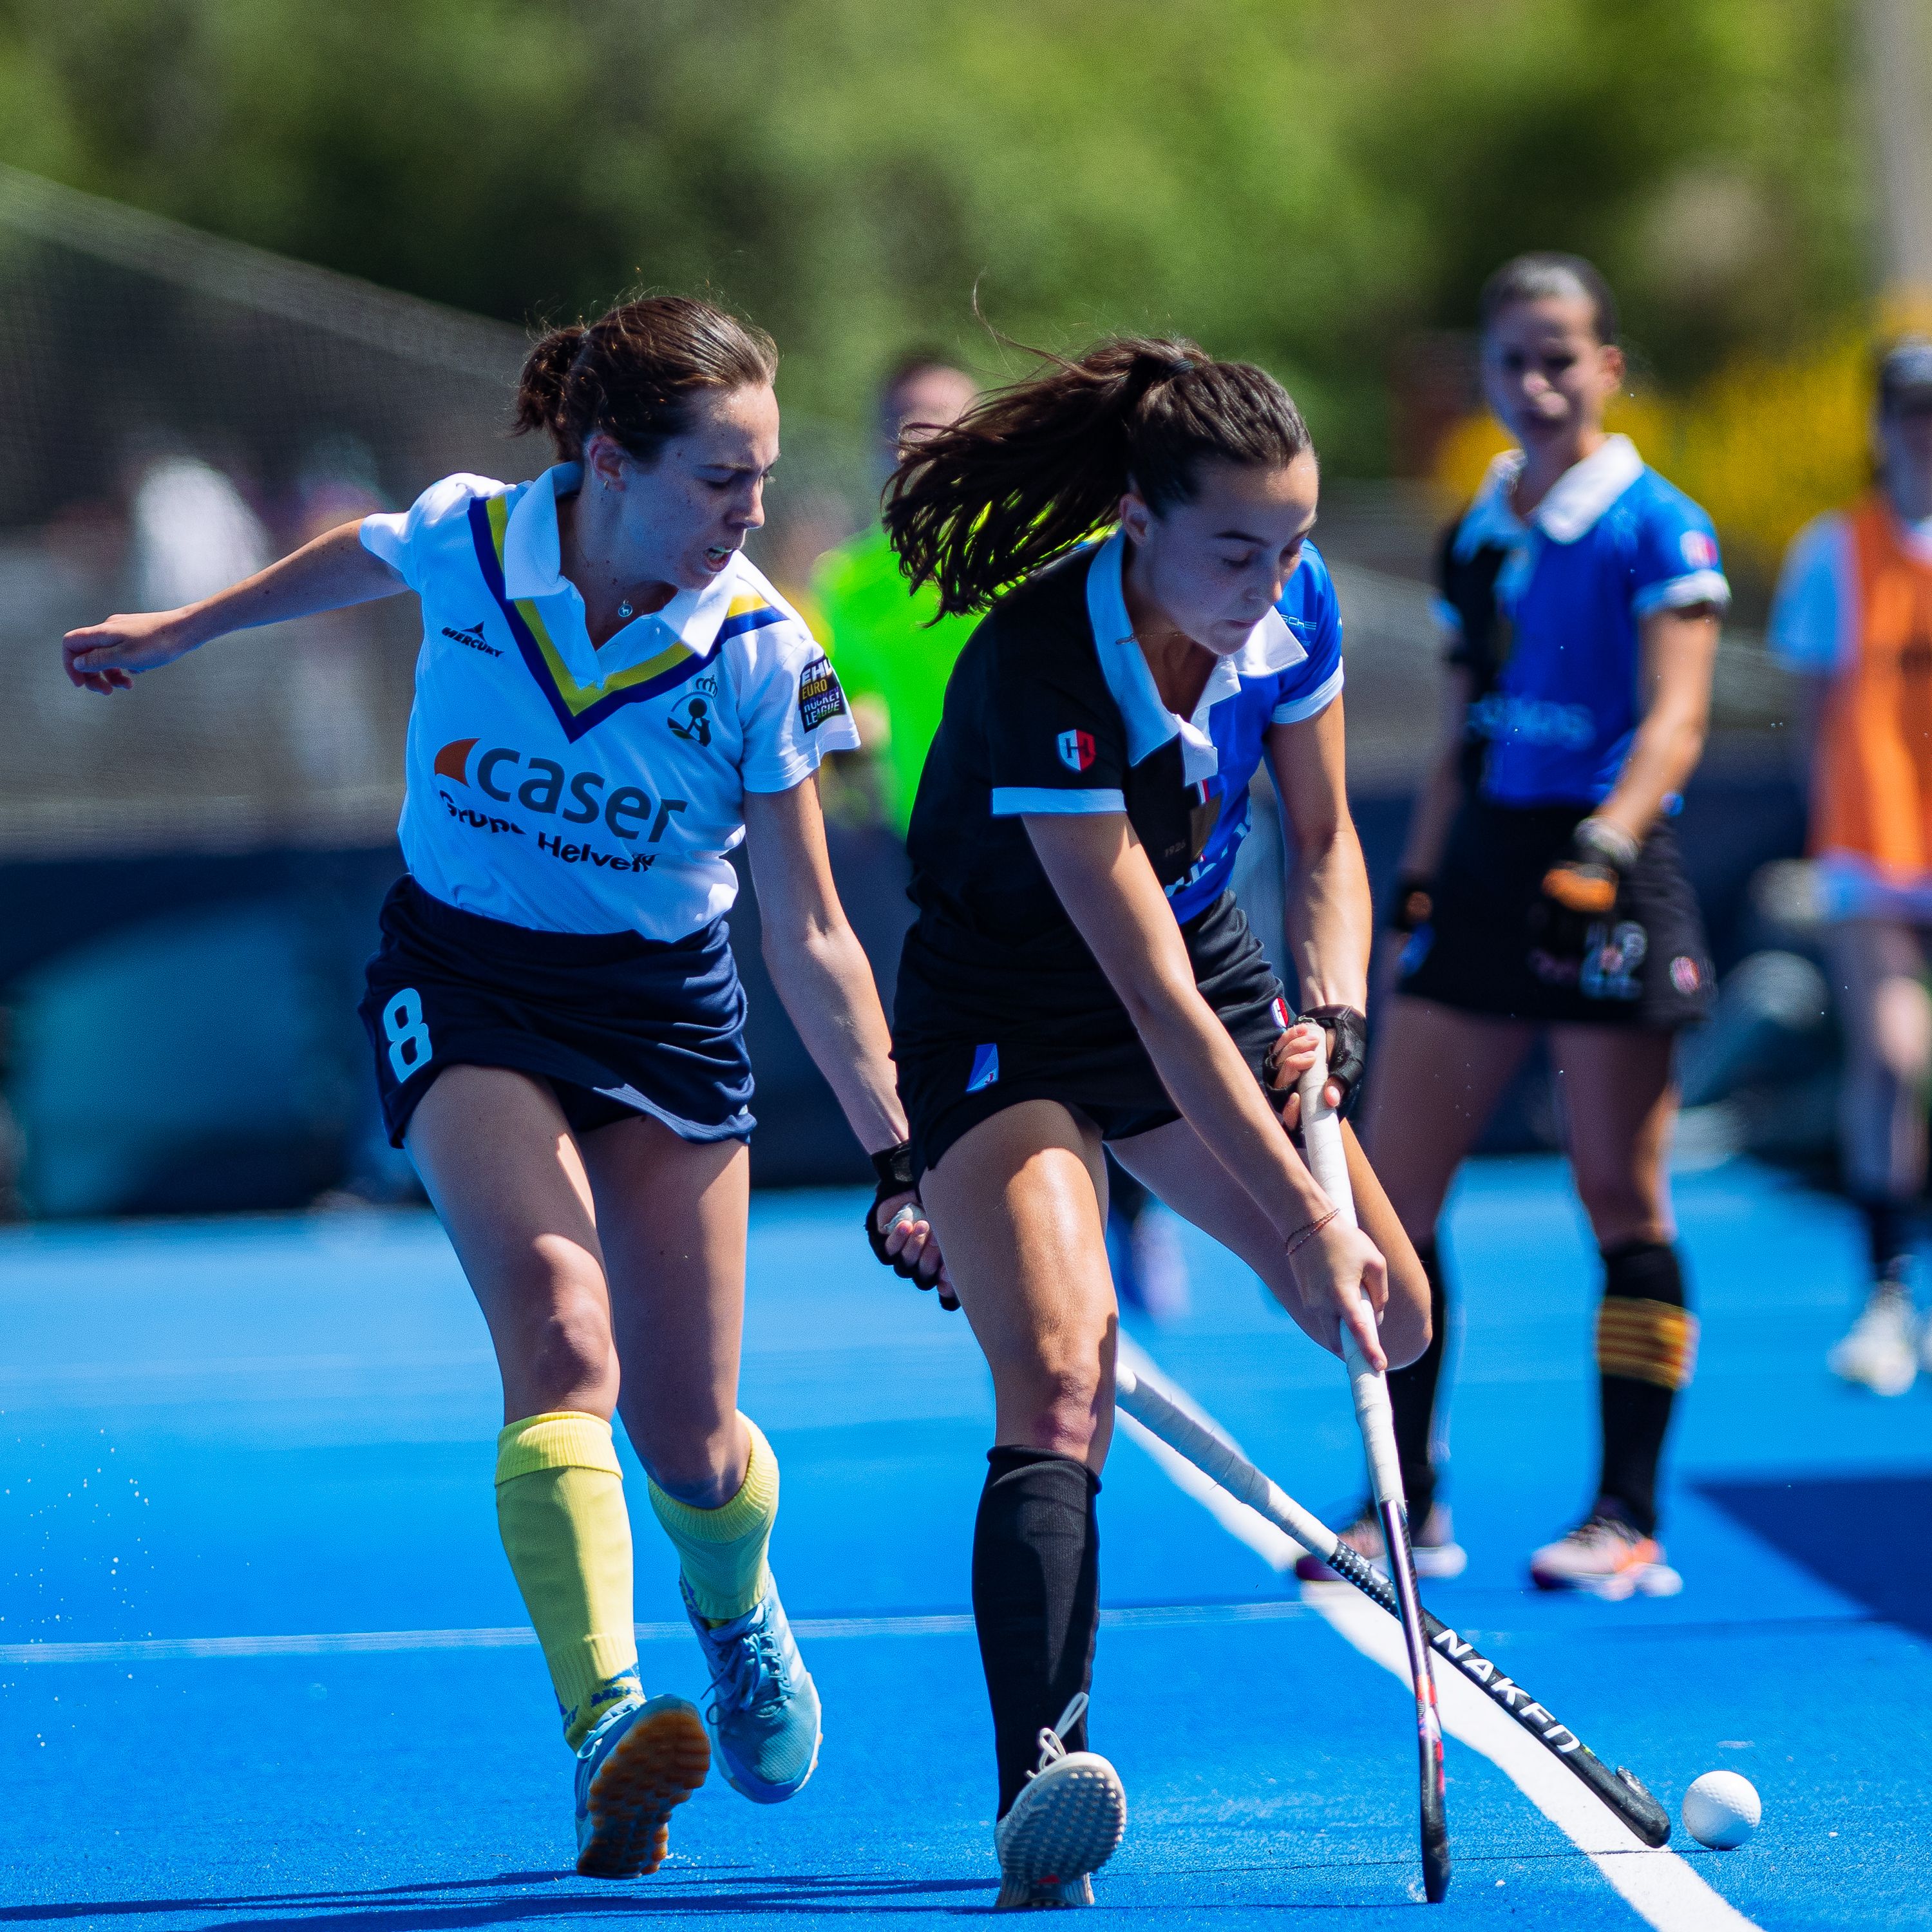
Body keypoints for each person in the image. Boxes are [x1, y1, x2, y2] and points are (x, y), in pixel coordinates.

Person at [61, 295, 944, 1878]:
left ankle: (735, 1612)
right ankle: (611, 1724)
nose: (751, 518)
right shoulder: (475, 540)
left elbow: (810, 935)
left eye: (762, 482)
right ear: (608, 462)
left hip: (667, 1018)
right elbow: (360, 556)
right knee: (560, 1335)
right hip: (463, 982)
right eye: (720, 482)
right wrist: (181, 630)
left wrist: (898, 1155)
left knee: (690, 1444)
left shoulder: (760, 650)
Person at [879, 336, 1431, 1906]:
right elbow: (1146, 1003)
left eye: (1297, 543)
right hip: (1014, 1014)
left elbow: (1324, 847)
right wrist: (1305, 1222)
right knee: (1063, 1371)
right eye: (1237, 549)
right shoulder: (1044, 662)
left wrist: (1332, 1017)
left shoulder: (1292, 612)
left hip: (1209, 966)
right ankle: (1041, 1791)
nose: (1273, 579)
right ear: (1136, 517)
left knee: (1396, 1327)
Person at [1341, 253, 1725, 1600]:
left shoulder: (1659, 526)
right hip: (1494, 868)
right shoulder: (1480, 526)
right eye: (1515, 360)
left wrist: (1606, 845)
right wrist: (1425, 887)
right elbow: (1460, 731)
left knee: (1621, 1192)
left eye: (1563, 354)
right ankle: (1409, 1503)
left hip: (1609, 865)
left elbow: (1678, 717)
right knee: (1393, 1193)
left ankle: (1626, 1514)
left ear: (1610, 366)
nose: (1540, 381)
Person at [1768, 336, 1932, 1396]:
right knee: (1894, 1053)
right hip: (1877, 851)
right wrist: (1831, 840)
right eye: (1910, 409)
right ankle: (1885, 1292)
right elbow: (1809, 713)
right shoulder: (1835, 551)